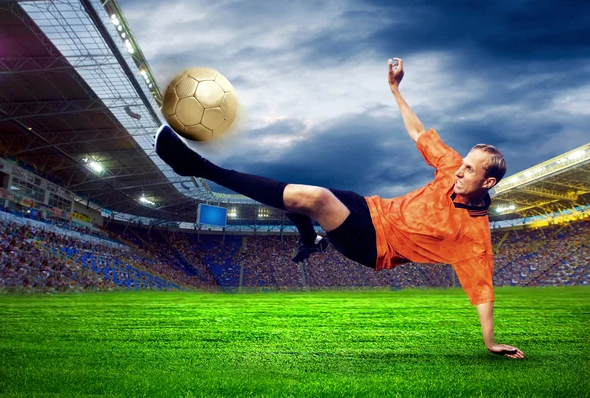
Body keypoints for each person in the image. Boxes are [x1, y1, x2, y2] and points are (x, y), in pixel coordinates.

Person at [155, 57, 524, 359]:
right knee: (299, 193)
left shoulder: (473, 236)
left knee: (312, 199)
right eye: (464, 163)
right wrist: (396, 90)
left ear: (487, 183)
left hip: (375, 245)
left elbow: (482, 290)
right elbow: (418, 133)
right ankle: (309, 240)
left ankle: (198, 167)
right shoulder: (450, 167)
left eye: (470, 169)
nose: (460, 169)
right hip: (369, 207)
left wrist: (490, 341)